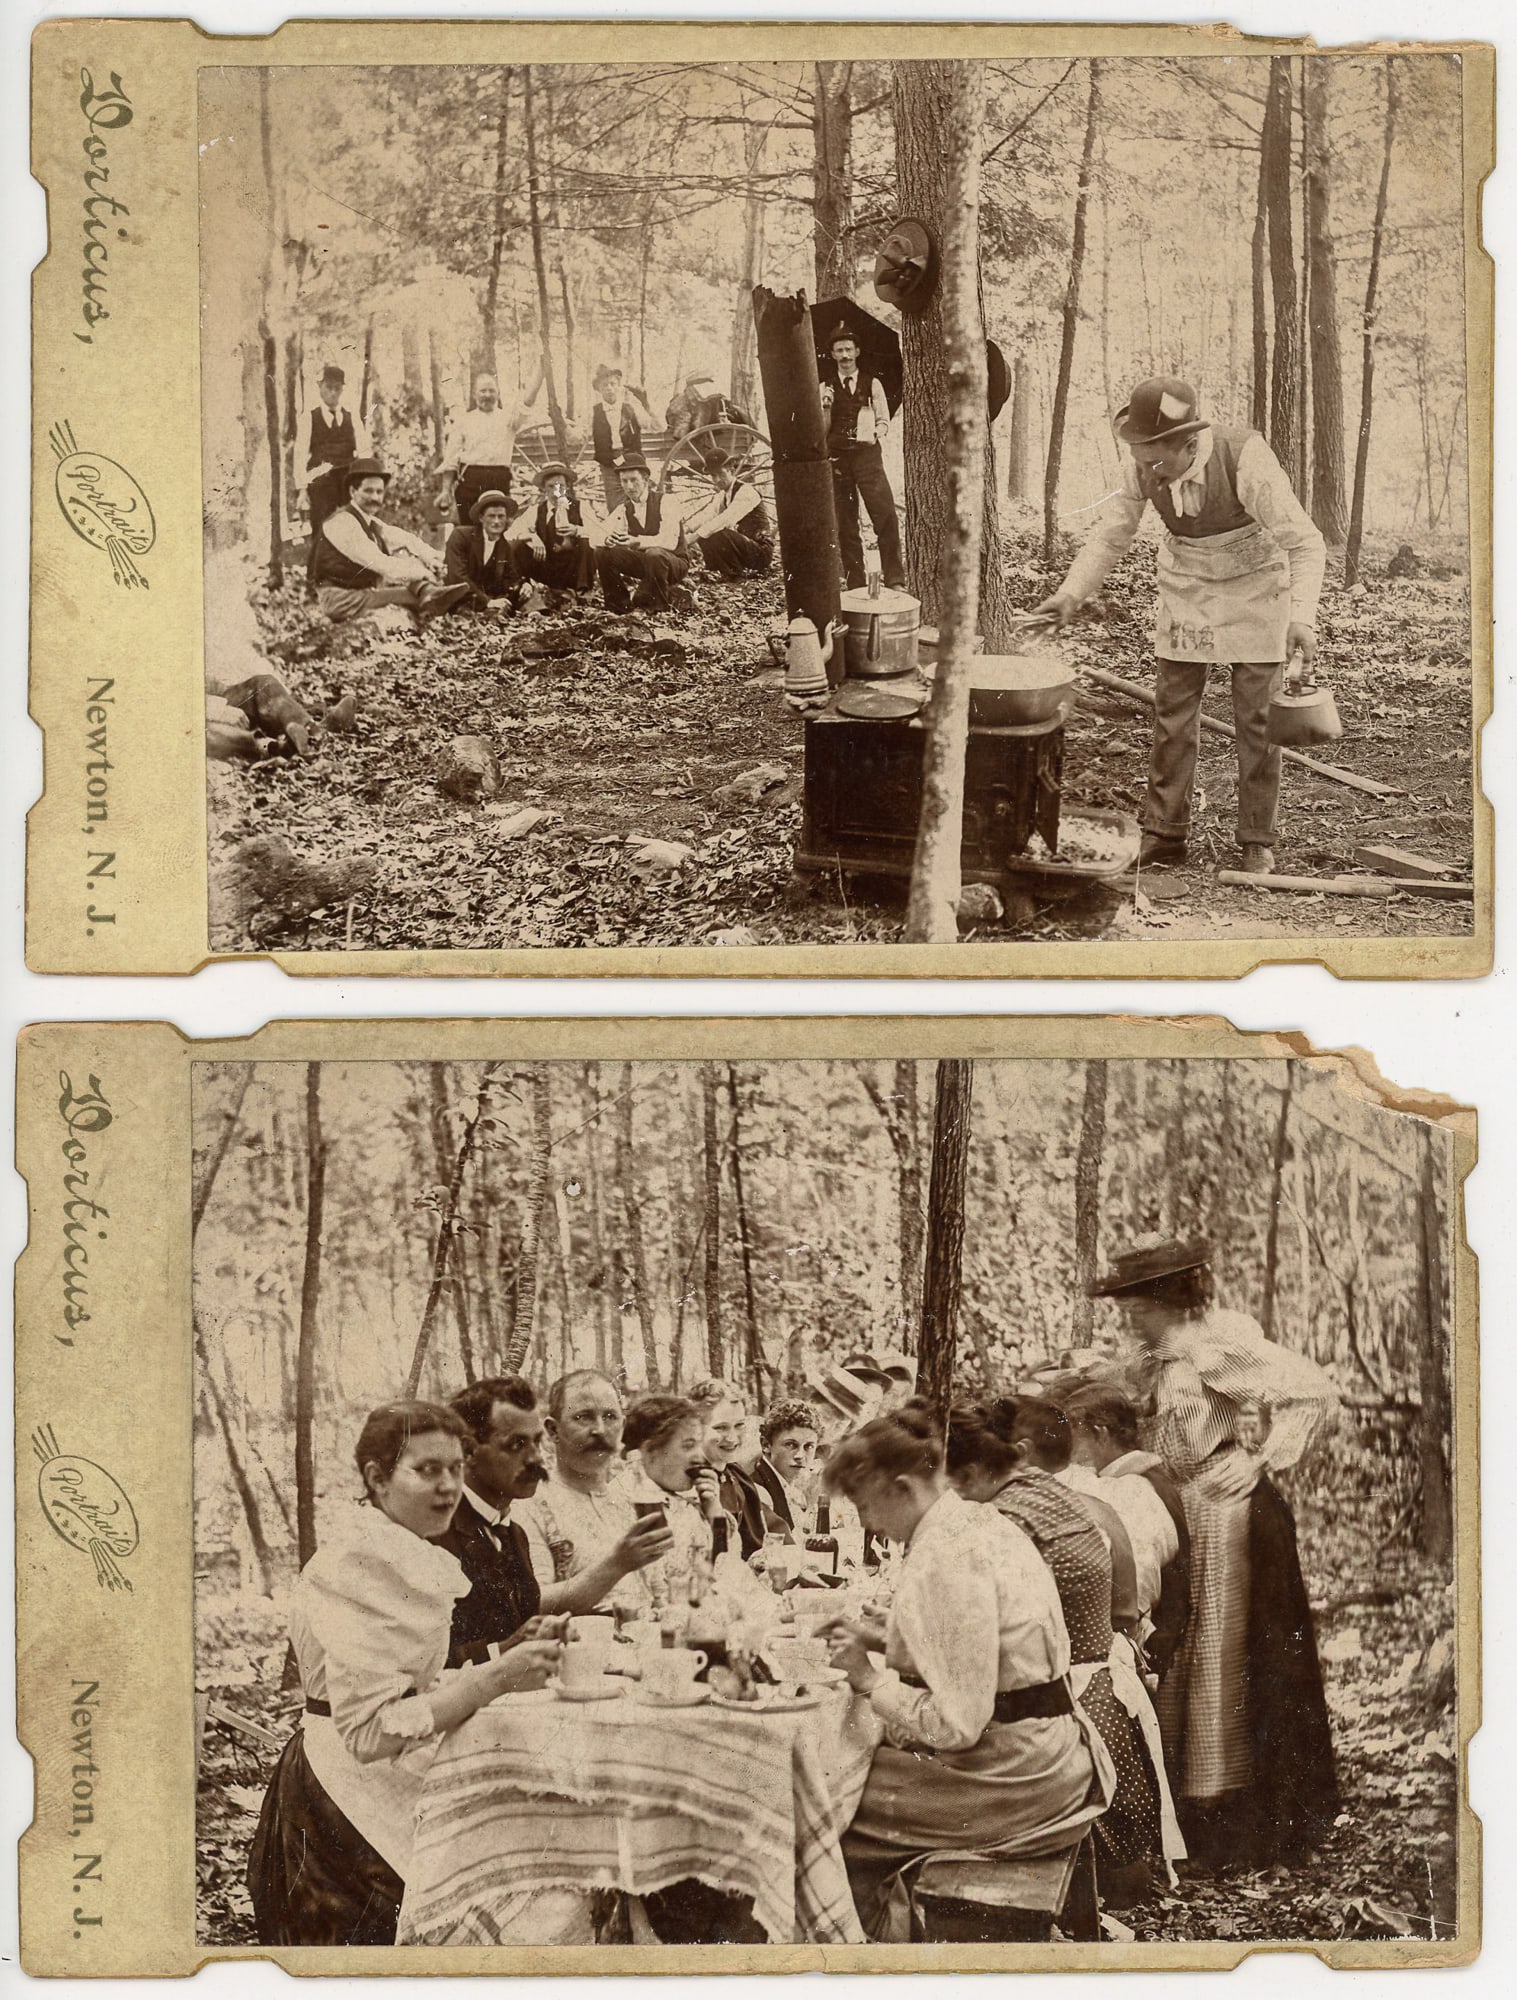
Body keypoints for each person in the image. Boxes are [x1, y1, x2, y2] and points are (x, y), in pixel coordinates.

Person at [247, 1401, 562, 1946]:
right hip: (344, 1792)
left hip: (390, 1764)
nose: (447, 1487)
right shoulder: (358, 1565)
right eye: (426, 1470)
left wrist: (499, 1671)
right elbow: (368, 1732)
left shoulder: (399, 1549)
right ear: (376, 1477)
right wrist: (493, 1679)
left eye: (456, 1469)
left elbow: (410, 1681)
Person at [1090, 1233, 1341, 1867]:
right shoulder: (1157, 1352)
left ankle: (1230, 1811)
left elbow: (1311, 1390)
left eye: (1136, 1302)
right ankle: (1191, 1808)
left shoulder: (1216, 1343)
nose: (1130, 1314)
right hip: (1183, 1507)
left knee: (1220, 1658)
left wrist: (1259, 1459)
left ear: (1165, 1297)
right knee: (1184, 1643)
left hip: (1226, 1509)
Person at [821, 1403, 1113, 1941]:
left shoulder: (943, 1557)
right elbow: (991, 1652)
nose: (866, 1521)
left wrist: (869, 1680)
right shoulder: (975, 1520)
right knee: (843, 1779)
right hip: (1054, 1749)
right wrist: (889, 1639)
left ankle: (860, 1967)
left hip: (1018, 1775)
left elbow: (958, 1725)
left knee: (824, 1812)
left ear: (903, 1486)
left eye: (864, 1504)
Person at [1031, 375, 1327, 875]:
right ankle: (1165, 832)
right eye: (1142, 459)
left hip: (1257, 586)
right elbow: (1111, 536)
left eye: (1158, 460)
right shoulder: (1144, 463)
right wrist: (1069, 594)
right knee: (1172, 713)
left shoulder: (1245, 458)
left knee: (1257, 718)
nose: (1149, 471)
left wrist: (1302, 617)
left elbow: (1305, 542)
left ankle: (1256, 835)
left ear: (1191, 443)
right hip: (1187, 585)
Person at [947, 1398, 1181, 1907]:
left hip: (1061, 1709)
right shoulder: (1080, 1499)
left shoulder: (1001, 1519)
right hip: (1106, 1690)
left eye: (959, 1482)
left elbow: (972, 1638)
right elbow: (1123, 1612)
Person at [1061, 1382, 1192, 1683]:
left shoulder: (1135, 1487)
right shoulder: (1130, 1479)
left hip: (1148, 1649)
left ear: (1101, 1434)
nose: (1070, 1453)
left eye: (1075, 1439)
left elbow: (1137, 1588)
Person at [515, 1369, 674, 1613]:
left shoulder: (634, 1497)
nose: (599, 1429)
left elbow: (658, 1593)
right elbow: (533, 1603)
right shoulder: (531, 1504)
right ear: (553, 1430)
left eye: (610, 1416)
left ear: (622, 1423)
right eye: (583, 1417)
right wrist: (617, 1564)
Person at [311, 460, 472, 628]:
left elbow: (407, 540)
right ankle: (433, 596)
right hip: (338, 598)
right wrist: (421, 573)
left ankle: (430, 592)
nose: (374, 497)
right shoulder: (342, 522)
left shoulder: (370, 522)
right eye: (368, 491)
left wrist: (437, 559)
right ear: (353, 491)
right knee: (416, 597)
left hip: (360, 592)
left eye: (379, 492)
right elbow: (379, 562)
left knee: (402, 549)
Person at [821, 326, 905, 592]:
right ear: (832, 355)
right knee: (845, 523)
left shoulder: (873, 383)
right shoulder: (824, 387)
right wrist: (825, 407)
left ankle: (895, 579)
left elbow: (883, 419)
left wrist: (875, 433)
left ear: (857, 352)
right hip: (838, 460)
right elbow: (822, 432)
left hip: (868, 458)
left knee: (886, 516)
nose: (845, 355)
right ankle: (855, 581)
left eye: (848, 349)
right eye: (839, 350)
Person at [620, 1393, 734, 1573]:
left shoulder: (687, 1500)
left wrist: (715, 1512)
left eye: (698, 1445)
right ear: (650, 1451)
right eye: (688, 1445)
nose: (699, 1457)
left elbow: (721, 1566)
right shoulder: (625, 1504)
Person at [294, 363, 371, 588]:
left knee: (353, 524)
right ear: (320, 387)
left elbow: (365, 449)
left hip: (347, 479)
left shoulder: (351, 416)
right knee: (322, 527)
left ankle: (353, 577)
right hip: (321, 480)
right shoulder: (309, 417)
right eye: (329, 387)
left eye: (337, 388)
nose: (333, 393)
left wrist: (364, 478)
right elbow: (300, 454)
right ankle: (315, 579)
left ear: (342, 390)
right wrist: (302, 490)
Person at [436, 369, 538, 524]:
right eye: (483, 391)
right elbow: (450, 460)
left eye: (492, 391)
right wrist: (445, 490)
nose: (487, 395)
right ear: (474, 395)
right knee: (469, 530)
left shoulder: (508, 419)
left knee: (496, 528)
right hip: (470, 480)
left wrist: (541, 374)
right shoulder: (464, 420)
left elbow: (527, 404)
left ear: (497, 394)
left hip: (498, 479)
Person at [686, 1378, 772, 1557]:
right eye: (721, 1428)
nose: (733, 1438)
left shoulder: (737, 1476)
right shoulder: (686, 1483)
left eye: (739, 1425)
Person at [595, 454, 691, 613]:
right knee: (602, 552)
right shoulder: (624, 509)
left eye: (634, 480)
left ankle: (658, 606)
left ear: (646, 480)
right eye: (624, 481)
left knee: (654, 554)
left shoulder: (667, 501)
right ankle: (618, 605)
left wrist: (636, 541)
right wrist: (607, 538)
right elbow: (596, 534)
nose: (629, 486)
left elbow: (669, 542)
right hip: (648, 563)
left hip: (674, 563)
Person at [503, 461, 597, 597]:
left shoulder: (581, 507)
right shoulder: (535, 510)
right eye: (551, 486)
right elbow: (508, 536)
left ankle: (582, 592)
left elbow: (599, 534)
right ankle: (524, 586)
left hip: (573, 570)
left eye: (560, 486)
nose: (556, 492)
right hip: (546, 569)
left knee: (586, 541)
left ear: (567, 487)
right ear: (543, 489)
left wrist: (577, 530)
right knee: (518, 546)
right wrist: (531, 537)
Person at [694, 452, 773, 580]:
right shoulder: (723, 496)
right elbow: (706, 515)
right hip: (745, 547)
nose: (717, 480)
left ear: (731, 470)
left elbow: (725, 519)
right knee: (705, 534)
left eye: (721, 474)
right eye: (714, 476)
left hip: (760, 551)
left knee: (717, 533)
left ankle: (736, 574)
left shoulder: (746, 492)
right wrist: (684, 529)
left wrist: (696, 535)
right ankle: (721, 571)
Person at [444, 491, 524, 613]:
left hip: (488, 600)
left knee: (526, 597)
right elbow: (457, 577)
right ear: (481, 518)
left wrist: (524, 585)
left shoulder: (504, 546)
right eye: (491, 516)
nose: (496, 521)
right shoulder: (460, 535)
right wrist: (487, 601)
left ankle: (535, 616)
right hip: (460, 598)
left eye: (501, 516)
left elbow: (512, 577)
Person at [591, 363, 655, 511]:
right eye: (605, 385)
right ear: (599, 389)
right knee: (615, 506)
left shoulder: (631, 409)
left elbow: (657, 427)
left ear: (619, 385)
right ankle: (619, 533)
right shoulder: (594, 412)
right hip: (609, 464)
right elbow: (577, 437)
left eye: (613, 384)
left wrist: (647, 404)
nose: (609, 388)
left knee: (640, 501)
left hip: (633, 461)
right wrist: (562, 423)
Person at [752, 1399, 822, 1532]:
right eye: (790, 1445)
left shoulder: (793, 1484)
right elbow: (788, 1546)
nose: (800, 1456)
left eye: (808, 1446)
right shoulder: (759, 1490)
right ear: (766, 1445)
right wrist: (812, 1505)